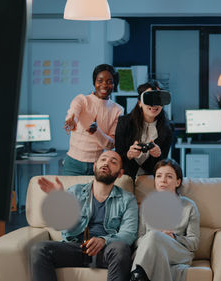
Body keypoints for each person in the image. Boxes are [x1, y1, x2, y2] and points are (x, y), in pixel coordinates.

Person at [30, 150, 138, 281]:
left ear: (120, 173)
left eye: (113, 162)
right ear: (94, 165)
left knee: (121, 249)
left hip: (105, 251)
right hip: (75, 248)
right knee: (39, 249)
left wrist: (104, 240)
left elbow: (129, 234)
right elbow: (63, 228)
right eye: (103, 159)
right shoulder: (74, 192)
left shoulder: (127, 199)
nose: (106, 163)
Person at [130, 159, 200, 281]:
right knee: (153, 236)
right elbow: (138, 240)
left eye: (169, 176)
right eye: (158, 176)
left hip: (179, 252)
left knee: (154, 236)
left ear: (178, 182)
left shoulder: (189, 206)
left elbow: (194, 243)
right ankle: (139, 277)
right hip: (149, 252)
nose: (163, 180)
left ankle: (137, 275)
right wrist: (153, 239)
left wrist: (174, 237)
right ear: (155, 181)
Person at [63, 64, 124, 175]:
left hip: (98, 165)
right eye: (100, 81)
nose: (104, 85)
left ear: (114, 84)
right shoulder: (82, 100)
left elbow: (110, 144)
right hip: (72, 164)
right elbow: (73, 114)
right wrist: (71, 122)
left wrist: (97, 131)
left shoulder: (118, 110)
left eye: (109, 82)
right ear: (94, 82)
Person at [115, 80, 173, 179]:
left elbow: (163, 163)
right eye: (149, 99)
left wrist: (158, 155)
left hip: (151, 178)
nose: (153, 105)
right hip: (126, 176)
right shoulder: (124, 123)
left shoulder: (167, 128)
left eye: (158, 99)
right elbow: (117, 157)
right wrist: (129, 155)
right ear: (140, 103)